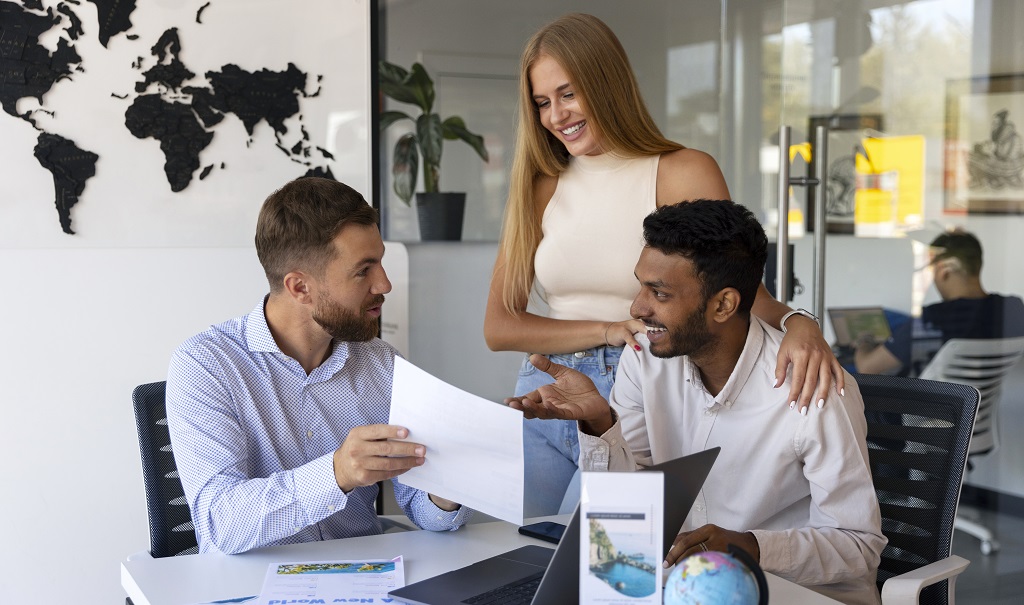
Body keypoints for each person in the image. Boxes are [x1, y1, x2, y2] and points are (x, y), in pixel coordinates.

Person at [483, 12, 844, 517]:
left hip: (641, 384)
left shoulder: (682, 170)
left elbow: (741, 295)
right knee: (522, 551)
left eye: (568, 94)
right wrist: (609, 329)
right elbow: (500, 326)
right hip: (546, 388)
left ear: (605, 85)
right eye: (542, 103)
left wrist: (800, 323)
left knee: (591, 553)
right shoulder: (540, 185)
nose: (556, 116)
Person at [508, 199, 885, 605]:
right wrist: (601, 424)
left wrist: (750, 547)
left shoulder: (814, 388)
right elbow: (629, 507)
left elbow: (858, 547)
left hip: (794, 594)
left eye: (660, 293)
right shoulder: (644, 361)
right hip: (682, 589)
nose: (637, 308)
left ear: (723, 305)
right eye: (641, 285)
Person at [166, 177, 470, 555]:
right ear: (300, 288)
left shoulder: (383, 365)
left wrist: (448, 487)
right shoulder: (206, 365)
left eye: (382, 263)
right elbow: (220, 523)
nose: (385, 284)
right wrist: (337, 473)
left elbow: (423, 509)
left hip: (364, 579)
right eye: (364, 270)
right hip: (251, 587)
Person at [854, 229, 1024, 375]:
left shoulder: (932, 319)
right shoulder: (1012, 308)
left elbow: (867, 367)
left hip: (929, 410)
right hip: (985, 407)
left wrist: (864, 342)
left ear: (943, 270)